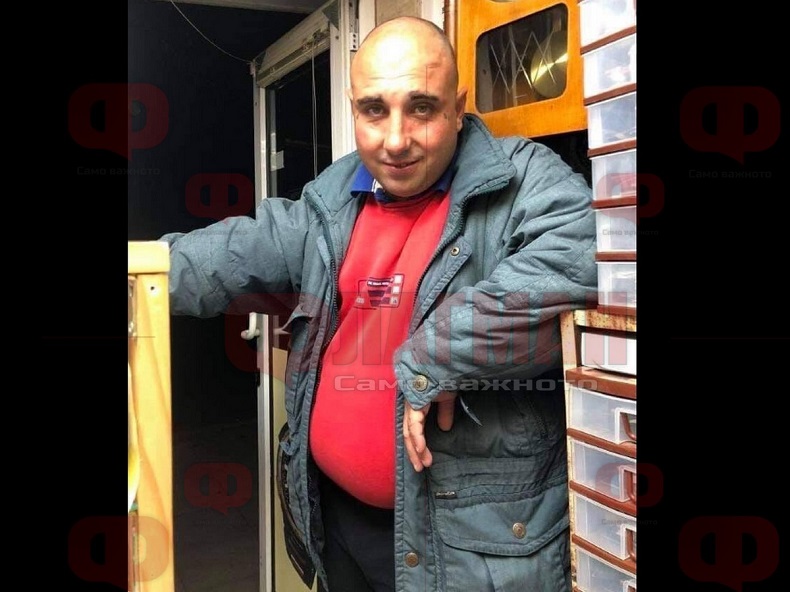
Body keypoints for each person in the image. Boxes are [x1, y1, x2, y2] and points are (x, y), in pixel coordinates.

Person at [162, 15, 598, 592]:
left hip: (465, 546)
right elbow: (230, 253)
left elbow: (583, 257)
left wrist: (436, 356)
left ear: (458, 107)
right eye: (374, 110)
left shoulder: (521, 176)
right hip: (337, 524)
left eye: (421, 107)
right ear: (354, 109)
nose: (395, 140)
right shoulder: (336, 194)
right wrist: (142, 272)